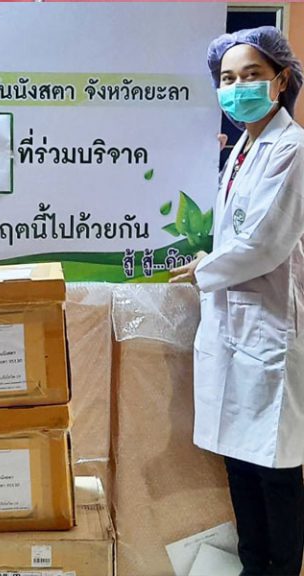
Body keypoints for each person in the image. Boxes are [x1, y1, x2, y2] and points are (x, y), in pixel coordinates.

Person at [170, 26, 304, 576]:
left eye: (252, 75)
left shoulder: (291, 149)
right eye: (227, 78)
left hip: (269, 328)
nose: (237, 87)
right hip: (231, 325)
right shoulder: (244, 149)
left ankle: (281, 569)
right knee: (240, 462)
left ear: (281, 80)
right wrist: (211, 263)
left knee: (275, 467)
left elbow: (265, 243)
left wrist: (204, 270)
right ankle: (253, 565)